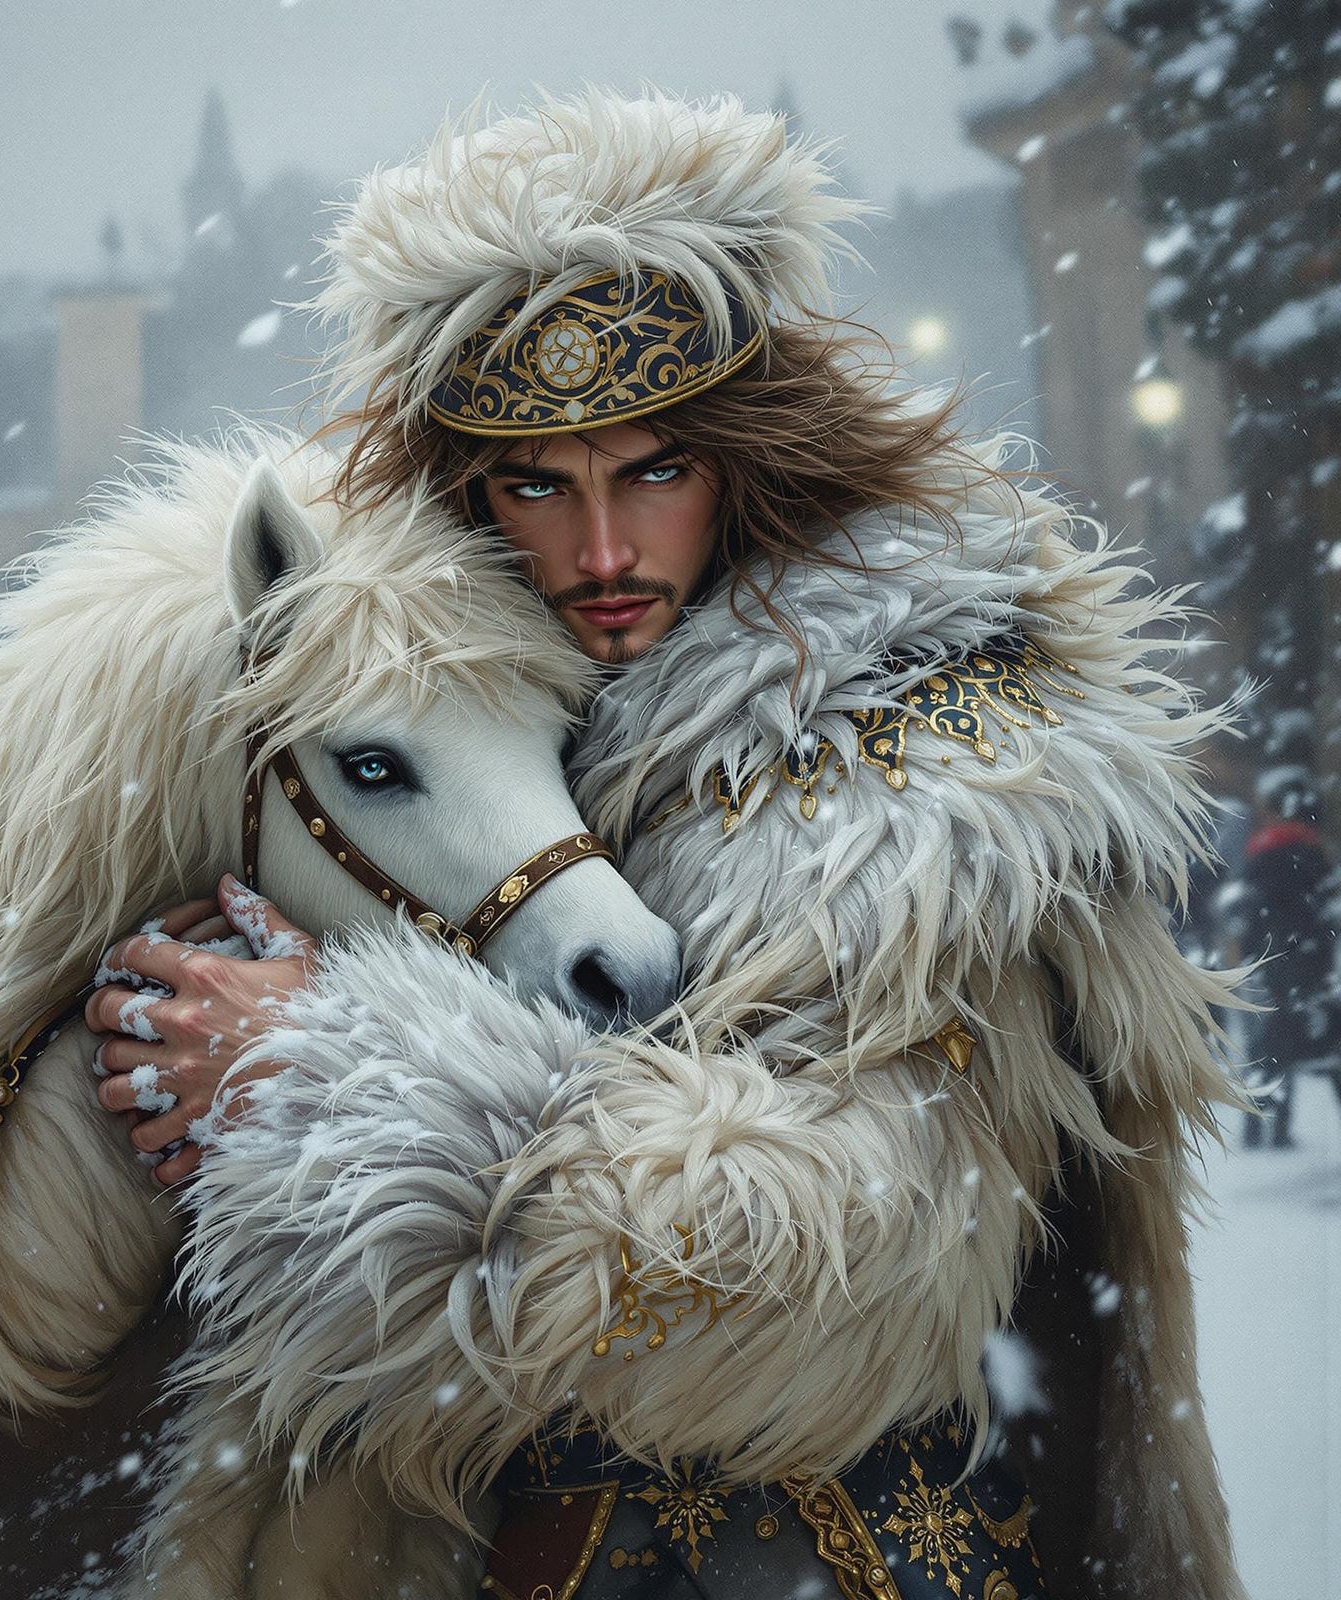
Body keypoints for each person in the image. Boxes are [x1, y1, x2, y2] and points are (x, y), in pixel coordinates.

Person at [93, 93, 1251, 1599]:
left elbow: (857, 1260)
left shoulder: (931, 754)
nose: (601, 555)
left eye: (650, 471)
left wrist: (334, 1073)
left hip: (839, 1554)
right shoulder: (495, 735)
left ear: (746, 459)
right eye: (534, 484)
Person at [1227, 766, 1341, 1147]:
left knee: (1267, 1043)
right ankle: (1281, 1128)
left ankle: (1259, 1126)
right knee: (1310, 1033)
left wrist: (1249, 952)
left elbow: (1247, 908)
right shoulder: (1314, 854)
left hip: (1267, 958)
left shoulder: (1261, 852)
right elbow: (1324, 909)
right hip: (1308, 958)